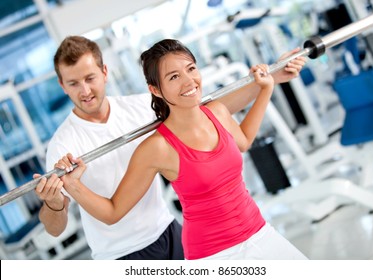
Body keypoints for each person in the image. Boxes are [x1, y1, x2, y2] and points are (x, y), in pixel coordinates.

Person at [34, 36, 305, 260]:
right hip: (120, 254)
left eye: (90, 78)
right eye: (73, 83)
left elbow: (207, 115)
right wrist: (55, 202)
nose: (85, 90)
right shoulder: (63, 145)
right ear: (62, 86)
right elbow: (56, 228)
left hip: (167, 231)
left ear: (104, 73)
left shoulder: (139, 107)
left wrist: (269, 80)